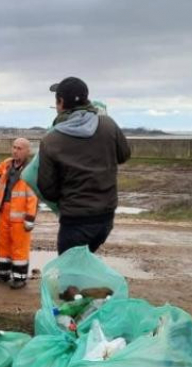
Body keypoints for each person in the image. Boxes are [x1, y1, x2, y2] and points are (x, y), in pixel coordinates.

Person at [38, 76, 131, 254]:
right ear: (87, 99)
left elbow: (46, 188)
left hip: (74, 220)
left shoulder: (52, 139)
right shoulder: (108, 125)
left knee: (70, 273)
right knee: (86, 261)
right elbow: (124, 155)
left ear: (61, 102)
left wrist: (64, 197)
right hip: (105, 218)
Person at [0, 138, 38, 289]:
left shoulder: (30, 170)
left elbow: (33, 196)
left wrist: (30, 218)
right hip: (5, 212)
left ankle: (20, 277)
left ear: (27, 151)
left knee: (19, 247)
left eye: (19, 148)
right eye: (14, 147)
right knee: (2, 244)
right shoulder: (7, 164)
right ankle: (2, 273)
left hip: (20, 216)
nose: (15, 151)